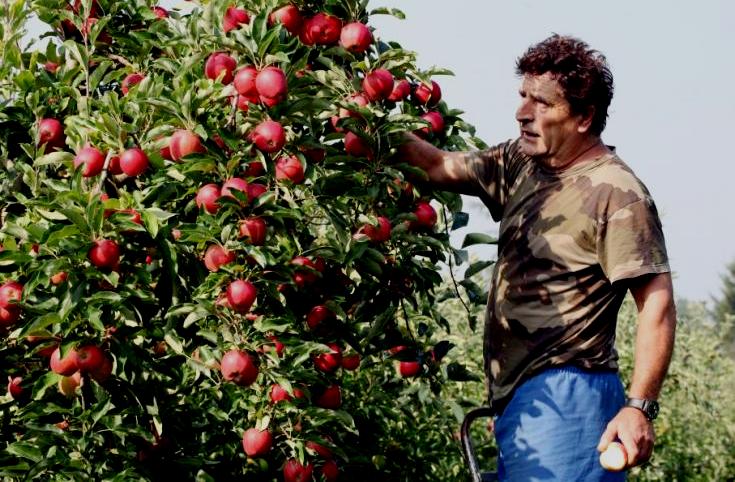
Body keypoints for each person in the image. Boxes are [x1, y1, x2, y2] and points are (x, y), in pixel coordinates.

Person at [399, 34, 676, 481]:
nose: (523, 112)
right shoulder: (521, 162)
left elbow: (657, 303)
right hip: (520, 398)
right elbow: (434, 165)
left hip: (570, 395)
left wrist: (639, 407)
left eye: (543, 103)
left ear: (584, 117)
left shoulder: (616, 193)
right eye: (523, 96)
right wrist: (364, 114)